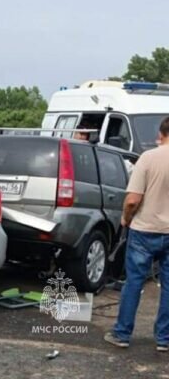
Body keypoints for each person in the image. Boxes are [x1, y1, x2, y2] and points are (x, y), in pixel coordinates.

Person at [105, 116, 169, 352]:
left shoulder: (148, 158)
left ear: (160, 134)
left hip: (144, 230)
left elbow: (132, 200)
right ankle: (164, 339)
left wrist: (125, 219)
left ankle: (122, 333)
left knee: (133, 283)